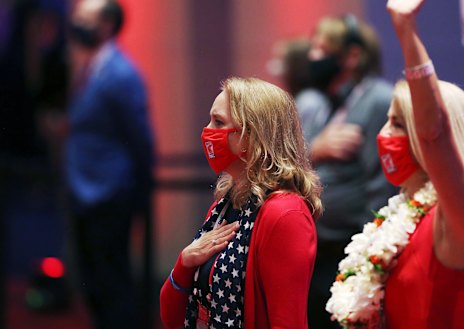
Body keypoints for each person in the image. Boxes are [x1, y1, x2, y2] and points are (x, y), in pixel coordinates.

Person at [326, 1, 464, 328]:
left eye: (398, 124)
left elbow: (436, 137)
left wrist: (406, 31)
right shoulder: (399, 216)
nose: (383, 133)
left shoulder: (459, 215)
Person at [159, 77, 323, 329]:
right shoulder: (225, 204)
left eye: (219, 122)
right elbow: (172, 319)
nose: (207, 130)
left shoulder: (285, 214)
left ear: (252, 136)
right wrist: (184, 262)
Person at [65, 1, 154, 328]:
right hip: (83, 192)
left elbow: (140, 138)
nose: (75, 24)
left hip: (108, 193)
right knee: (94, 284)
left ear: (105, 26)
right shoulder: (92, 66)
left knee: (111, 284)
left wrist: (140, 190)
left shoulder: (120, 72)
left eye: (83, 19)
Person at [305, 14, 398, 328]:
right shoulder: (334, 100)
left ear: (353, 56)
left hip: (348, 249)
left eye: (321, 49)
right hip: (321, 247)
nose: (312, 58)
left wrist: (366, 261)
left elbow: (382, 183)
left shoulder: (377, 100)